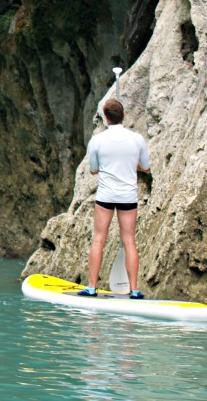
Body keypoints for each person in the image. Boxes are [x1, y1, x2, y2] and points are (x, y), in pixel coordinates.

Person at [78, 98, 151, 299]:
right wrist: (129, 164)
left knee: (99, 239)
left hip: (106, 195)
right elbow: (145, 167)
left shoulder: (97, 141)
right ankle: (134, 290)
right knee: (129, 241)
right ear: (124, 115)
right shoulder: (137, 139)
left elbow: (93, 170)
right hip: (128, 195)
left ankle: (92, 287)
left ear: (106, 117)